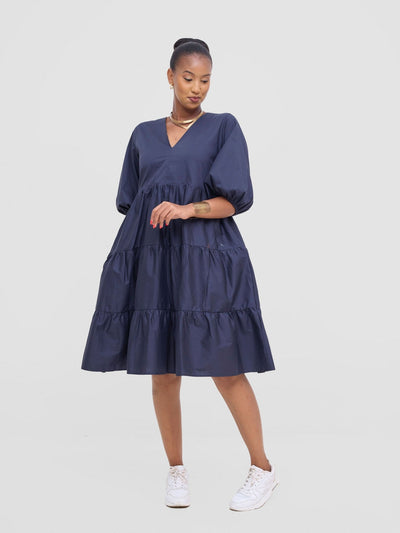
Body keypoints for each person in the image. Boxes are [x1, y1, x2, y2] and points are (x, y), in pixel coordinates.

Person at [81, 37, 279, 512]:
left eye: (205, 80)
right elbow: (133, 203)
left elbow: (235, 201)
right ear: (170, 77)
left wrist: (189, 208)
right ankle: (176, 470)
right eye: (188, 78)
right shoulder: (143, 135)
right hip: (154, 257)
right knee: (163, 370)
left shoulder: (223, 127)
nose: (197, 88)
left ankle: (262, 469)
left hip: (208, 257)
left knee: (226, 366)